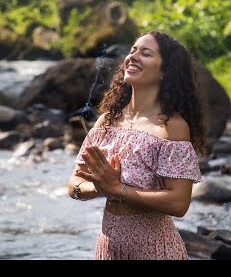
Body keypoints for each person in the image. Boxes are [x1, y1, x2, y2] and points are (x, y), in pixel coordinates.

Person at [67, 30, 206, 260]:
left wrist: (118, 190)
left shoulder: (171, 126)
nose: (133, 56)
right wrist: (99, 188)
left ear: (164, 72)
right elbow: (74, 185)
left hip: (153, 250)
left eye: (146, 53)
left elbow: (179, 203)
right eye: (132, 51)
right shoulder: (107, 121)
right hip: (109, 246)